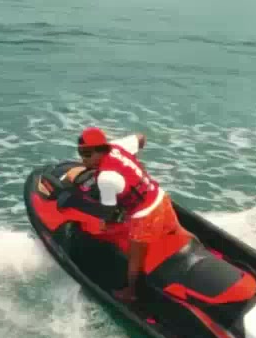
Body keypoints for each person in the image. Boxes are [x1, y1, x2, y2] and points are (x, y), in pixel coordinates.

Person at [74, 126, 191, 302]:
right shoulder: (117, 146)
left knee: (134, 258)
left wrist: (101, 221)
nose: (83, 159)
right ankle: (197, 249)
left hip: (145, 216)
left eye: (87, 154)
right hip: (160, 198)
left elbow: (108, 212)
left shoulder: (106, 178)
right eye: (81, 153)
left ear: (100, 151)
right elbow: (141, 138)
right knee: (180, 232)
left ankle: (130, 292)